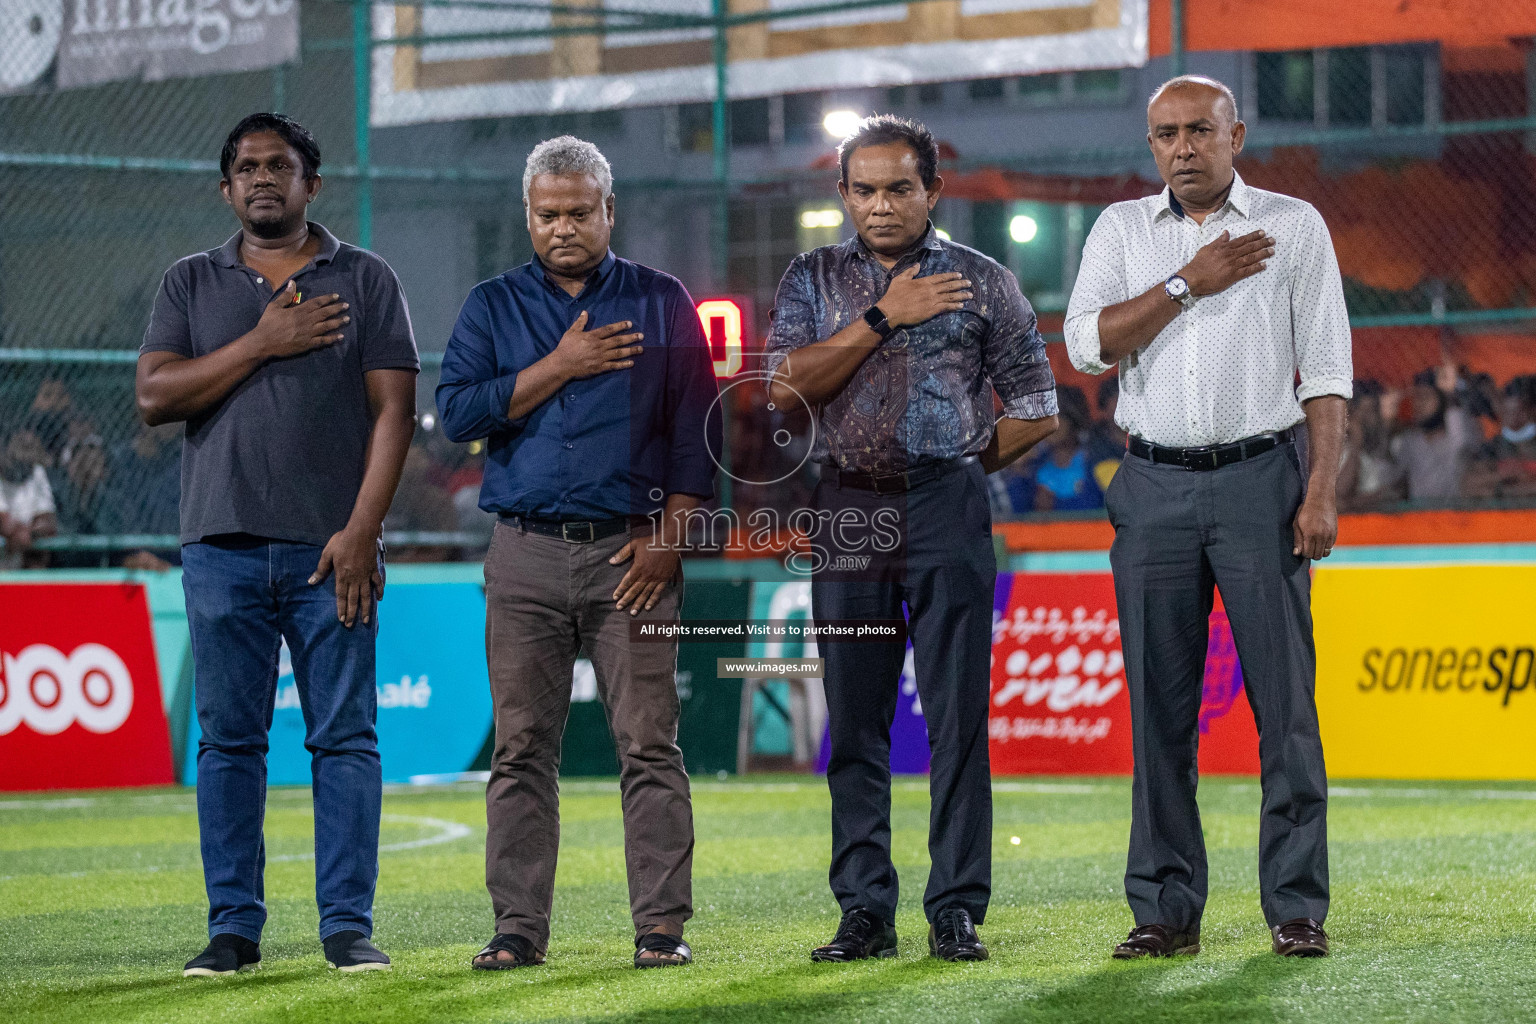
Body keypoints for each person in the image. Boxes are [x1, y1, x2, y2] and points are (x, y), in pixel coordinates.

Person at [1065, 76, 1351, 959]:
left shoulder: (1293, 225)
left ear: (1238, 134)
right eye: (1164, 134)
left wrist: (1321, 490)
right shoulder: (1120, 230)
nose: (1182, 147)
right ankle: (1163, 911)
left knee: (1286, 710)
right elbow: (1087, 345)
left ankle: (1295, 908)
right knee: (1158, 711)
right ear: (1150, 145)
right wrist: (1189, 281)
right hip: (1150, 486)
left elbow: (1329, 370)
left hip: (1260, 482)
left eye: (1199, 130)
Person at [765, 115, 1058, 964]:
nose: (882, 204)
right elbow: (782, 393)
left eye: (900, 188)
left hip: (945, 509)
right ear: (844, 194)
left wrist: (958, 458)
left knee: (958, 719)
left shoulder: (983, 281)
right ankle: (865, 912)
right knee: (854, 722)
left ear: (934, 191)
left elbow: (1038, 408)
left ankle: (957, 908)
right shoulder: (815, 278)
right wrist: (882, 317)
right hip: (847, 510)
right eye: (865, 189)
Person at [135, 113, 419, 977]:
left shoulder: (366, 279)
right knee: (228, 743)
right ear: (227, 189)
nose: (264, 178)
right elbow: (154, 396)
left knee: (345, 739)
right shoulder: (189, 283)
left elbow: (395, 413)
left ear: (311, 184)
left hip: (331, 552)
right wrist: (261, 340)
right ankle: (233, 931)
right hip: (219, 546)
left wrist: (363, 530)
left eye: (281, 166)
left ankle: (347, 929)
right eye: (247, 168)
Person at [436, 136, 719, 972]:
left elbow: (697, 435)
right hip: (522, 554)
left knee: (649, 745)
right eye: (547, 213)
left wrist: (668, 544)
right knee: (521, 748)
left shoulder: (663, 302)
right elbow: (457, 415)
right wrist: (557, 366)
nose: (563, 227)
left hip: (632, 556)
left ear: (609, 210)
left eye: (578, 211)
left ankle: (660, 929)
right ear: (529, 215)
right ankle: (518, 930)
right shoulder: (492, 307)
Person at [1390, 368, 1479, 504]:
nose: (1419, 405)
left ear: (1441, 400)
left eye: (1425, 397)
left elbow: (1461, 437)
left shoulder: (1456, 434)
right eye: (1416, 398)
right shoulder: (1410, 440)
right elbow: (1396, 480)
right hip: (1419, 517)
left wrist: (1448, 393)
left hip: (1454, 514)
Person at [1336, 380, 1403, 511]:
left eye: (1372, 411)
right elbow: (1339, 495)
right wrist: (1356, 445)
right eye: (1362, 410)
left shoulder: (1388, 444)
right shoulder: (1339, 449)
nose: (1366, 418)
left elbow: (1400, 489)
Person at [1463, 378, 1536, 501]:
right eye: (1509, 412)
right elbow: (1468, 485)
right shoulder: (1492, 447)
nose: (1514, 417)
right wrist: (1502, 477)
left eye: (1520, 410)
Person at [0, 429, 58, 569]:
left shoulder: (36, 472)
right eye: (23, 447)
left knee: (37, 558)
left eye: (31, 448)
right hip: (4, 551)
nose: (27, 455)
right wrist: (19, 531)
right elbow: (4, 523)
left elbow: (47, 518)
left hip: (27, 546)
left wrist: (31, 532)